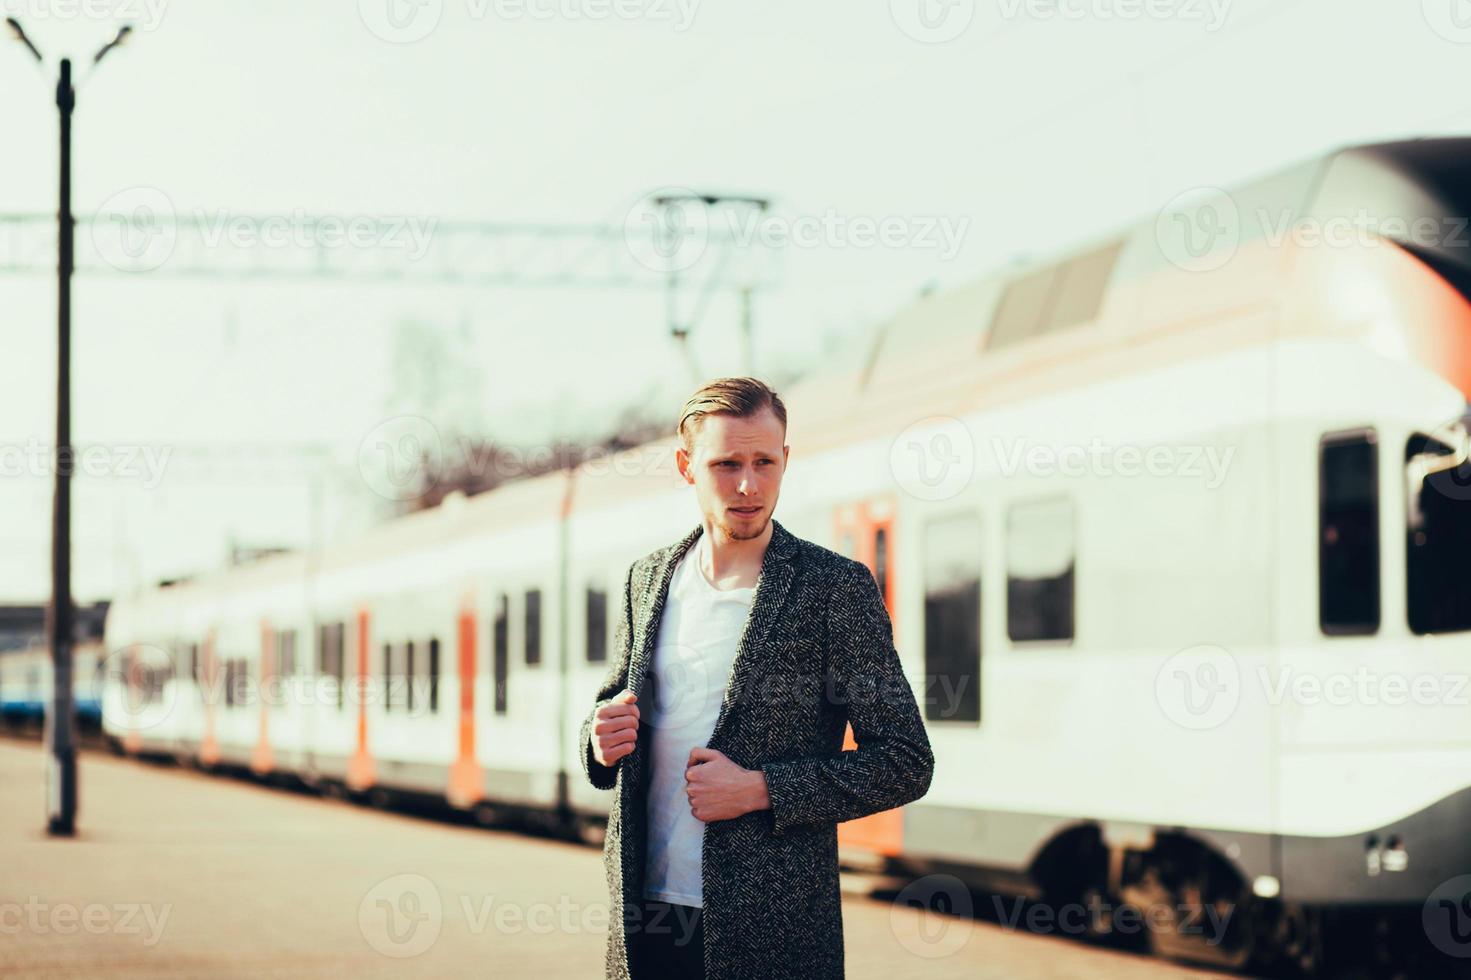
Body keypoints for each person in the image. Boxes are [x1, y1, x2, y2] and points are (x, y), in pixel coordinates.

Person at [579, 376, 935, 980]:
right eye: (726, 465)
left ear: (785, 461)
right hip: (646, 920)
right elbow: (612, 709)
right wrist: (597, 739)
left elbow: (905, 760)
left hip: (773, 934)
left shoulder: (833, 590)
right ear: (687, 466)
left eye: (764, 462)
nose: (748, 485)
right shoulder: (648, 580)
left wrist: (764, 789)